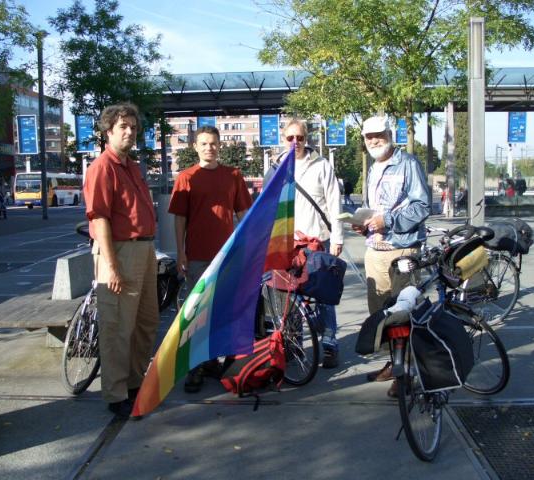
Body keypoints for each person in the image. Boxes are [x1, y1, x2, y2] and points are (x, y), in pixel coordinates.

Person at [83, 103, 160, 418]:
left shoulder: (131, 166)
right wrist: (111, 266)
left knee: (146, 323)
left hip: (144, 250)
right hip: (119, 251)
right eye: (123, 127)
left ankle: (133, 383)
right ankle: (116, 395)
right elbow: (99, 218)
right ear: (108, 132)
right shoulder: (102, 167)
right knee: (118, 327)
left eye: (133, 127)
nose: (129, 132)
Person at [169, 125, 253, 393]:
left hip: (227, 257)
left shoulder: (233, 176)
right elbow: (179, 218)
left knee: (223, 311)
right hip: (197, 256)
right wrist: (180, 251)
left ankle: (217, 361)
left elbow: (245, 214)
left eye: (213, 143)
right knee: (196, 314)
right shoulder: (186, 177)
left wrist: (249, 246)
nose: (209, 148)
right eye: (204, 143)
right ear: (196, 147)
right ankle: (194, 368)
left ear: (220, 145)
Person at [353, 115, 430, 396]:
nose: (373, 140)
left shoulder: (408, 164)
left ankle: (406, 372)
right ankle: (393, 362)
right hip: (376, 251)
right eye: (368, 136)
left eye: (378, 134)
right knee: (381, 315)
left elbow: (422, 206)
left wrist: (389, 221)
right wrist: (364, 224)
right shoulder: (374, 168)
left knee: (403, 313)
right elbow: (374, 208)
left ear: (389, 133)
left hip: (403, 251)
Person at [269, 118, 344, 369]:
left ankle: (330, 344)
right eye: (290, 138)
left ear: (306, 138)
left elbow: (335, 203)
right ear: (284, 139)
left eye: (299, 138)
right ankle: (295, 344)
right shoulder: (276, 167)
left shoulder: (321, 165)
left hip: (316, 241)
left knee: (323, 296)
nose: (295, 143)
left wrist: (337, 238)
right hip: (287, 245)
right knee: (289, 299)